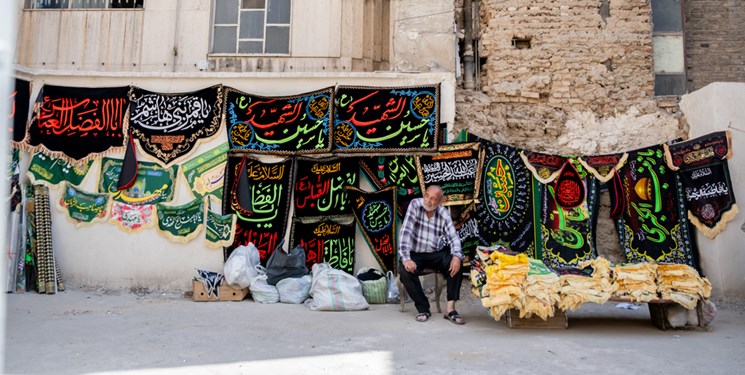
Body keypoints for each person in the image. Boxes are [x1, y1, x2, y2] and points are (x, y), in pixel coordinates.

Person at [398, 185, 464, 324]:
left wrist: (457, 256)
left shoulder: (443, 213)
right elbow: (405, 232)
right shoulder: (415, 205)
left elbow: (454, 237)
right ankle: (423, 308)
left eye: (433, 199)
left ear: (440, 202)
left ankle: (450, 309)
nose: (428, 200)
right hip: (415, 252)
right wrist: (406, 258)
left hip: (435, 253)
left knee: (456, 262)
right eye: (427, 196)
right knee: (404, 270)